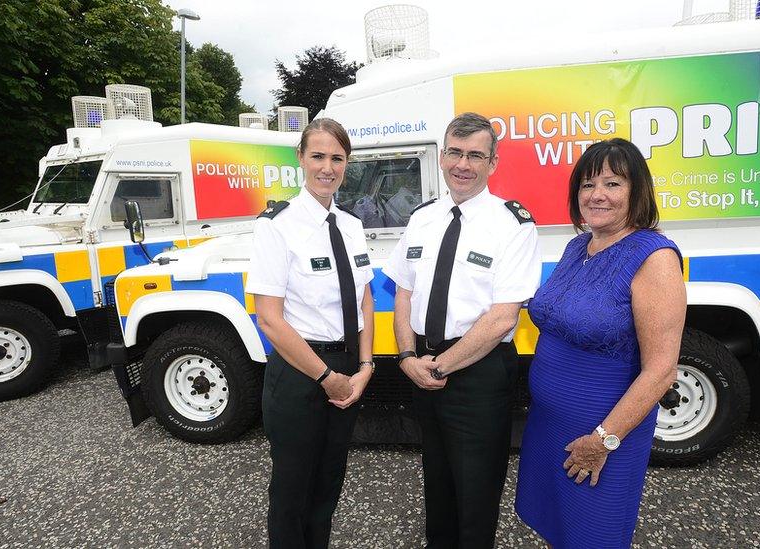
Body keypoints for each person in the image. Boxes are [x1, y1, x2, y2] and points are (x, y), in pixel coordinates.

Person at [514, 138, 686, 548]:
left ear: (637, 191)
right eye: (588, 185)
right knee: (559, 526)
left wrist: (604, 439)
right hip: (550, 424)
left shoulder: (654, 257)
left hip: (601, 433)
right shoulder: (578, 247)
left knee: (594, 533)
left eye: (612, 184)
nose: (597, 195)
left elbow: (661, 370)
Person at [383, 112, 542, 548]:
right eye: (455, 152)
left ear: (493, 162)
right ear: (442, 156)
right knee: (436, 482)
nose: (463, 164)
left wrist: (438, 367)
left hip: (477, 372)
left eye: (475, 155)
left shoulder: (513, 224)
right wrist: (407, 358)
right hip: (422, 365)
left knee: (476, 493)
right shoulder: (422, 218)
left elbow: (503, 318)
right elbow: (403, 294)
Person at [246, 118, 375, 549]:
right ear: (300, 158)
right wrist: (326, 377)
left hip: (347, 370)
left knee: (328, 485)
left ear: (347, 163)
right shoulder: (276, 225)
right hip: (301, 372)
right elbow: (269, 318)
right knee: (291, 491)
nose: (327, 167)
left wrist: (366, 365)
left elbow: (365, 300)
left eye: (337, 158)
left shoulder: (351, 226)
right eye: (317, 156)